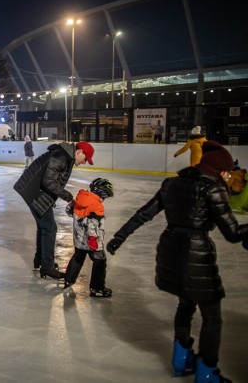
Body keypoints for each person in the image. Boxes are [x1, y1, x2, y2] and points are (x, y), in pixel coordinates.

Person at [106, 141, 248, 381]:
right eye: (226, 171)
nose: (227, 176)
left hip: (170, 252)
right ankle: (207, 372)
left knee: (186, 304)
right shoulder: (213, 189)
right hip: (197, 257)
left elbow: (143, 214)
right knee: (212, 317)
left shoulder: (172, 183)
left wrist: (119, 237)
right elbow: (232, 233)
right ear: (219, 170)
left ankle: (181, 360)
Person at [13, 141, 94, 280]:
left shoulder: (65, 156)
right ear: (79, 152)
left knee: (44, 227)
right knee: (50, 228)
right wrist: (69, 198)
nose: (85, 162)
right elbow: (49, 181)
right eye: (86, 158)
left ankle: (40, 261)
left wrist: (50, 199)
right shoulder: (61, 156)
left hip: (33, 189)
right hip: (32, 190)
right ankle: (47, 266)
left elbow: (50, 180)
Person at [63, 178, 114, 297]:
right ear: (103, 193)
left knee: (78, 258)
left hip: (79, 239)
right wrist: (93, 240)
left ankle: (68, 280)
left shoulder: (80, 199)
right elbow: (92, 224)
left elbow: (69, 211)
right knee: (100, 262)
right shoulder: (97, 205)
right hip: (92, 241)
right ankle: (97, 288)